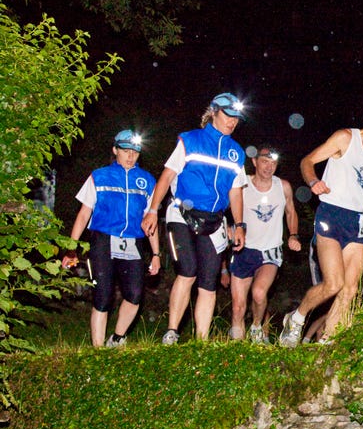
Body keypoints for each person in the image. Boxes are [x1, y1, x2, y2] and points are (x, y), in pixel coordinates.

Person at [279, 97, 363, 347]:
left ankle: (327, 343)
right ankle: (295, 319)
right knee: (333, 283)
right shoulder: (345, 138)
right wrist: (313, 182)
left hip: (358, 221)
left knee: (349, 289)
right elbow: (307, 161)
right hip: (331, 214)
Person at [142, 92, 247, 344]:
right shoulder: (190, 140)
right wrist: (153, 209)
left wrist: (240, 224)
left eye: (237, 118)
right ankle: (172, 332)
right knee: (188, 271)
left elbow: (235, 191)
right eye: (228, 115)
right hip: (182, 213)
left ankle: (201, 340)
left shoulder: (237, 153)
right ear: (214, 112)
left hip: (213, 221)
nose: (232, 121)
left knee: (208, 281)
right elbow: (167, 177)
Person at [62, 130, 161, 347]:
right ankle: (98, 350)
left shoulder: (147, 180)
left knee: (135, 295)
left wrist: (156, 254)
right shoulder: (99, 175)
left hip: (134, 242)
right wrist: (71, 249)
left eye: (134, 152)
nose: (130, 156)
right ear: (115, 150)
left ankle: (117, 338)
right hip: (103, 239)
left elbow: (150, 221)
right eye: (125, 151)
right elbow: (83, 215)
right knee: (103, 295)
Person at [229, 145, 301, 342]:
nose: (269, 167)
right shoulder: (242, 186)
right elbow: (226, 208)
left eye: (273, 163)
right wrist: (229, 228)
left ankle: (256, 327)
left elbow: (291, 212)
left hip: (270, 251)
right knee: (238, 307)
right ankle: (238, 351)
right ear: (254, 162)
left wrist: (293, 235)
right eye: (264, 162)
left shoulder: (283, 186)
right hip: (243, 249)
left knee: (259, 294)